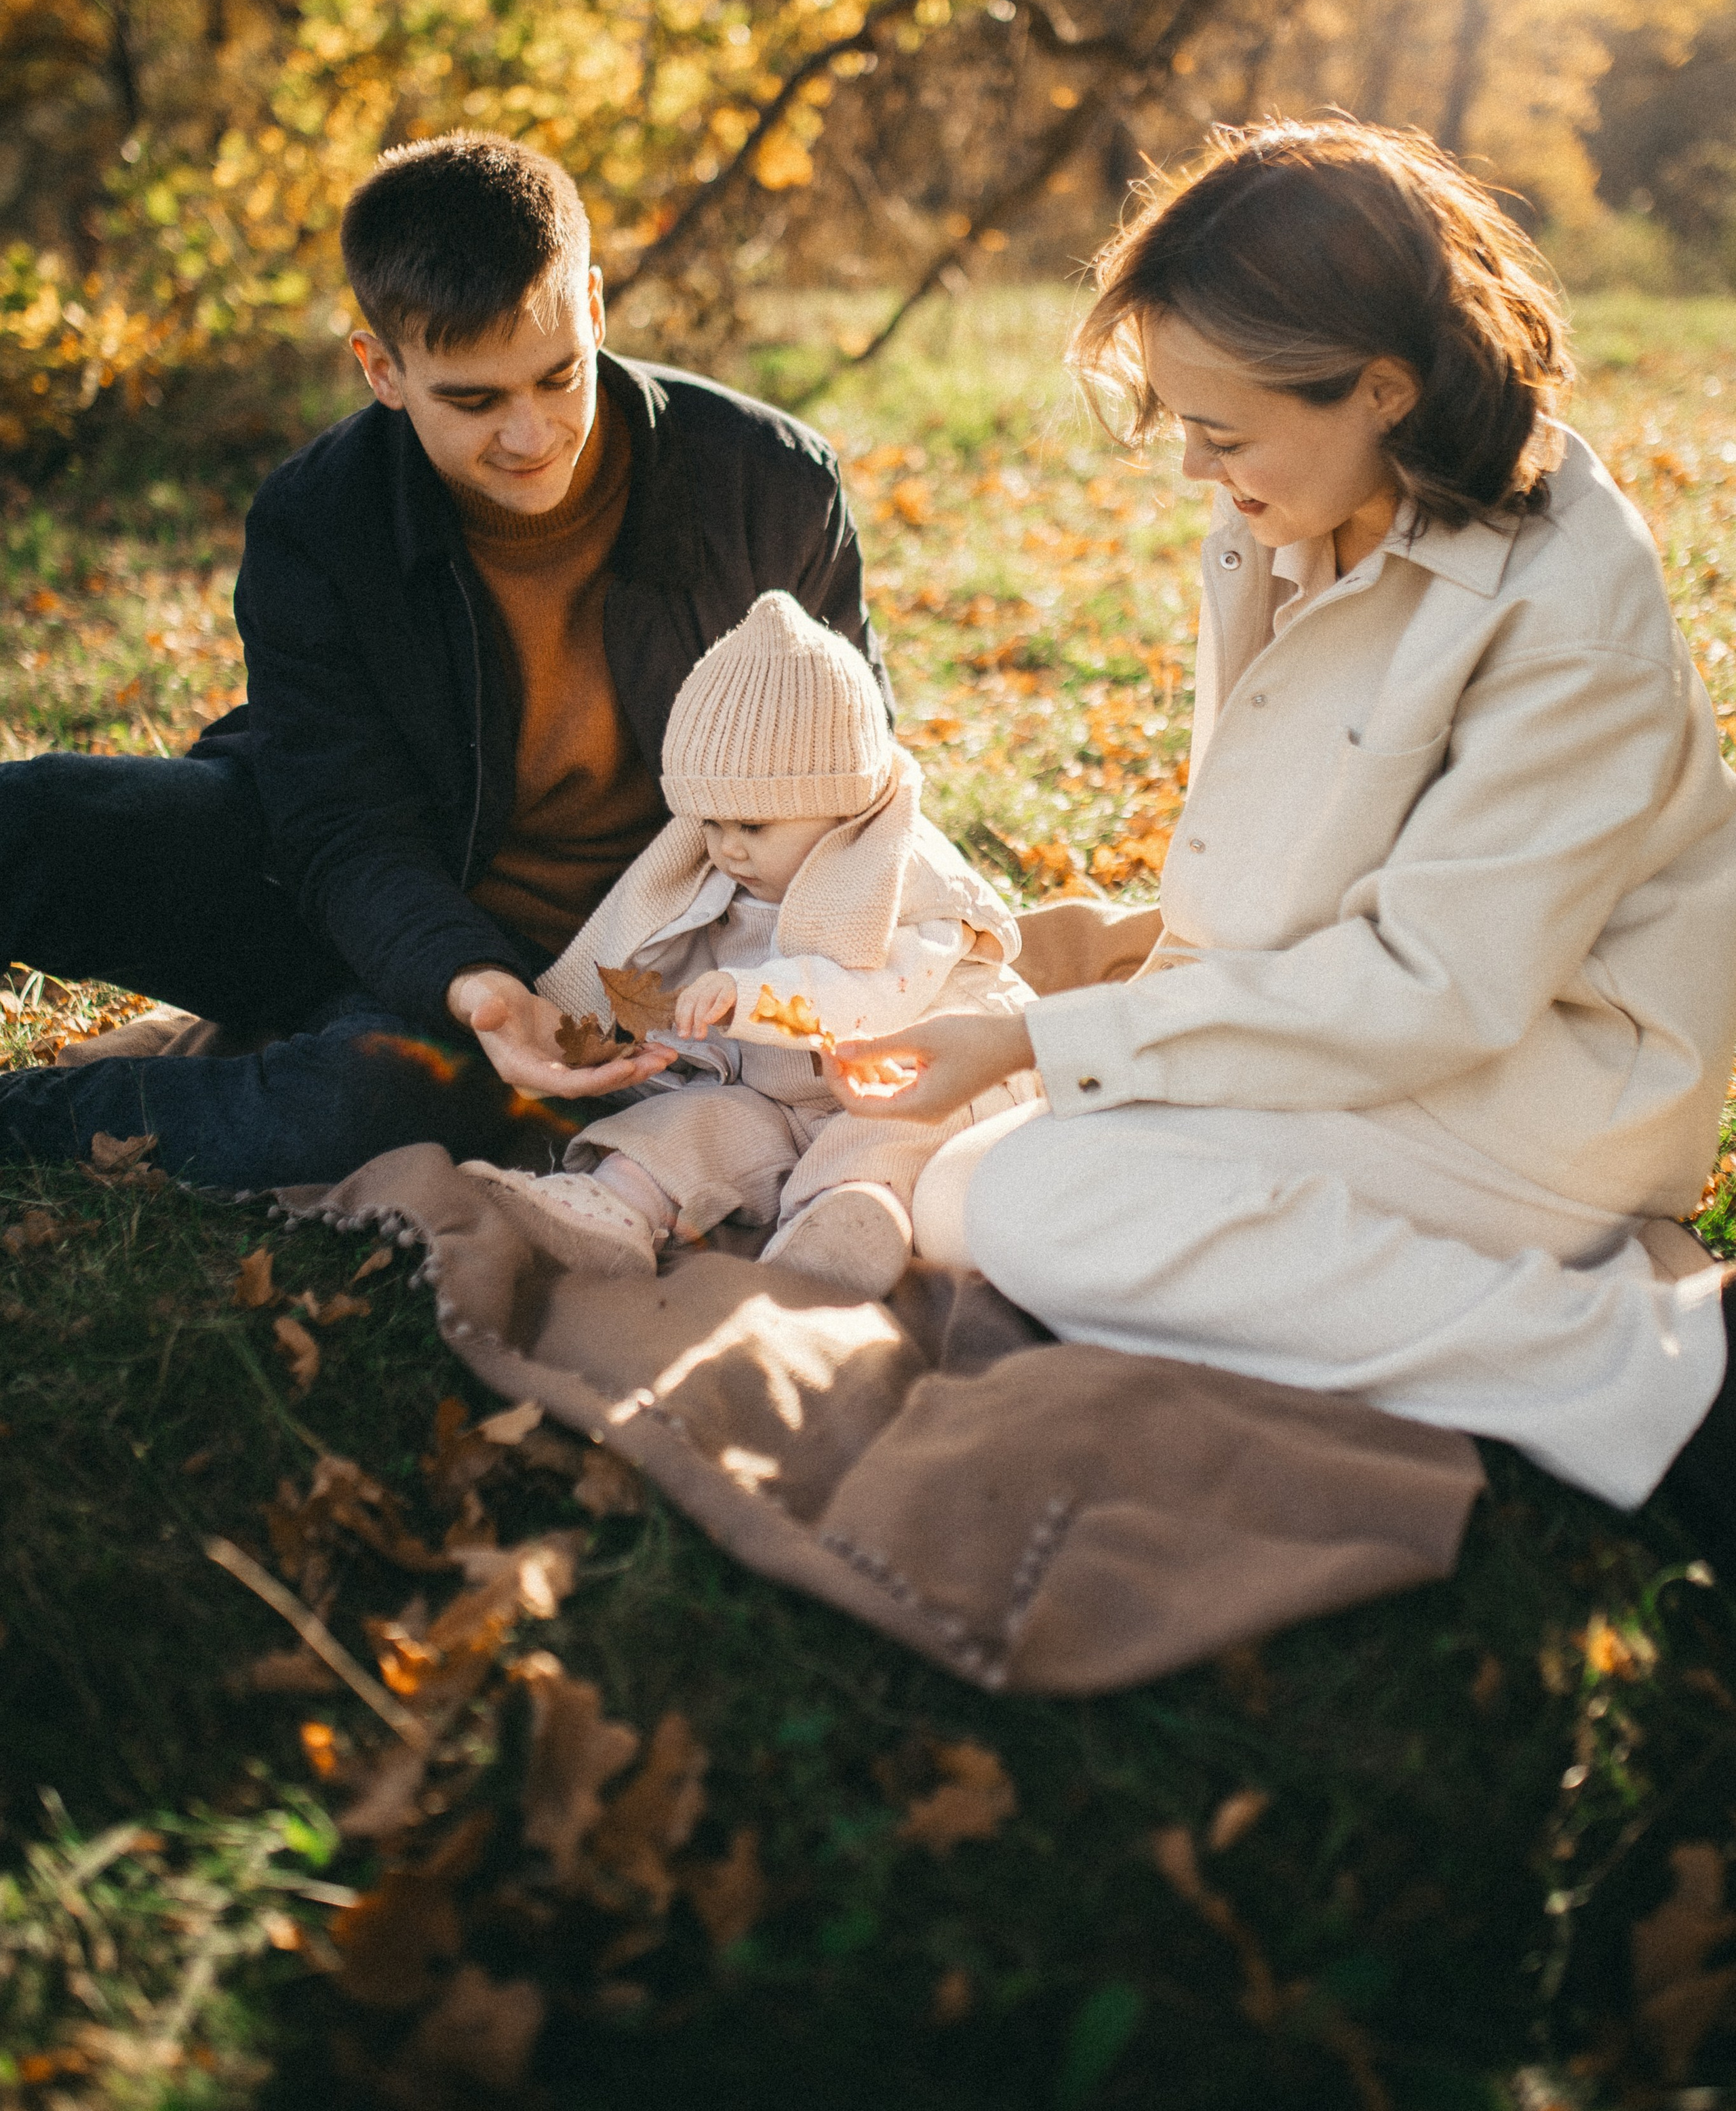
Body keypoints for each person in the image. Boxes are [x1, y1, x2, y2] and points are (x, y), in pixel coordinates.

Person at [825, 119, 1736, 1526]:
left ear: (1381, 388)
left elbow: (1441, 985)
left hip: (1532, 1089)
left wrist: (1036, 1038)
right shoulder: (1283, 512)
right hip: (1356, 1035)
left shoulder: (1562, 609)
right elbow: (1313, 846)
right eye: (1181, 422)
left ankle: (1650, 1375)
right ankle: (1454, 1301)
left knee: (1031, 1207)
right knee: (964, 1196)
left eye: (1222, 429)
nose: (1193, 467)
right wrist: (1125, 970)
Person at [0, 134, 887, 1185]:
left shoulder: (769, 488)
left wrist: (523, 1001)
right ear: (382, 368)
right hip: (335, 884)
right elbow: (339, 825)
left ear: (594, 311)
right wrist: (463, 976)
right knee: (37, 815)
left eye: (559, 376)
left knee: (378, 1102)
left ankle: (42, 1117)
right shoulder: (317, 516)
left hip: (598, 967)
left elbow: (855, 784)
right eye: (473, 401)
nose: (530, 434)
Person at [468, 593, 1035, 1295]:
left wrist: (750, 998)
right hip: (776, 1091)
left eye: (755, 828)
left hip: (908, 1078)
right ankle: (611, 1206)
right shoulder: (714, 875)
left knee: (882, 1142)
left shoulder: (900, 874)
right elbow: (681, 968)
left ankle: (844, 1221)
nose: (728, 848)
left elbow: (877, 996)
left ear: (843, 803)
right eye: (711, 822)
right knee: (692, 1123)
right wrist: (675, 1045)